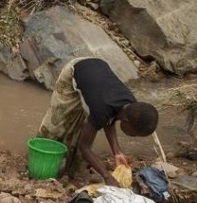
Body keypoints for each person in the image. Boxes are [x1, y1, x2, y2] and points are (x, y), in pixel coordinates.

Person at [38, 57, 159, 187]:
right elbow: (84, 146)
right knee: (58, 121)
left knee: (84, 125)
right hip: (76, 70)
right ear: (126, 120)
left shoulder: (130, 104)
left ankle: (73, 168)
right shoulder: (102, 110)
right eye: (133, 134)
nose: (132, 136)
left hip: (96, 74)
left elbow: (111, 118)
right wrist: (106, 176)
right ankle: (40, 157)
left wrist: (117, 151)